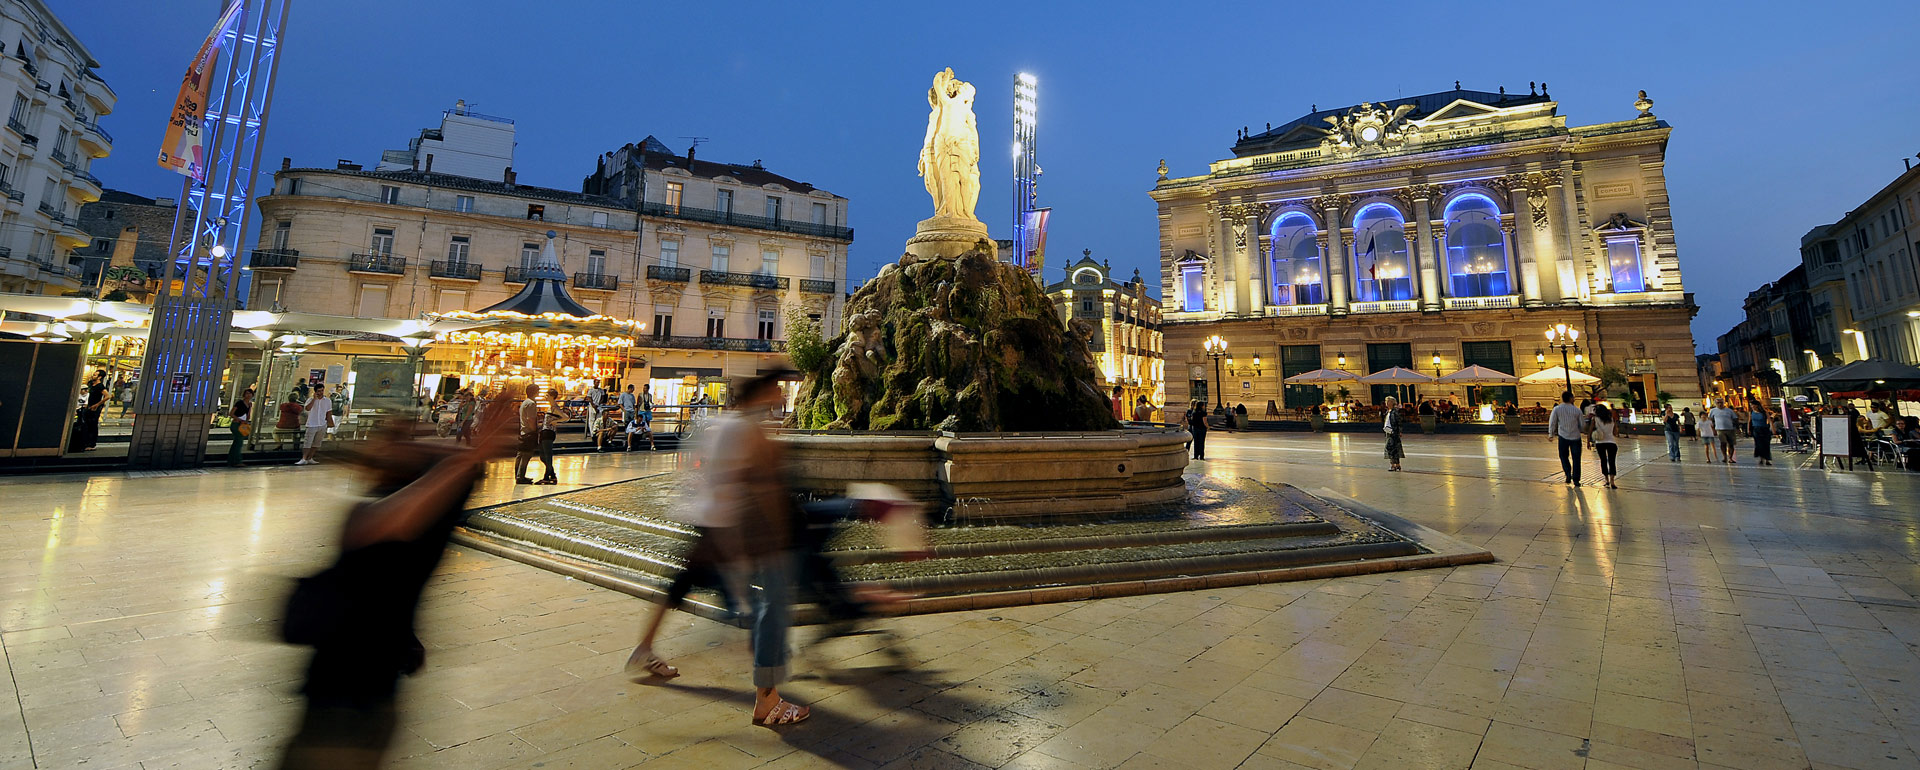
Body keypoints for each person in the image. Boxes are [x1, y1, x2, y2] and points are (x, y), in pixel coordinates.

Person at [275, 404, 515, 768]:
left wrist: (469, 454)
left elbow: (393, 520)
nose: (385, 441)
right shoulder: (400, 508)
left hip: (351, 695)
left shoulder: (409, 514)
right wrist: (468, 453)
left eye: (402, 435)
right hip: (351, 684)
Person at [629, 372, 811, 726]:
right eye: (773, 390)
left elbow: (700, 471)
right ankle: (767, 695)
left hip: (704, 519)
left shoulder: (718, 424)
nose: (777, 396)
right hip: (724, 527)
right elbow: (741, 486)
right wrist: (745, 545)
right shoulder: (746, 431)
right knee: (760, 603)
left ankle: (644, 649)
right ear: (760, 394)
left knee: (681, 587)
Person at [1548, 391, 1586, 487]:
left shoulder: (1557, 409)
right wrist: (1583, 430)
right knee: (1576, 458)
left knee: (1563, 456)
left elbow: (1552, 422)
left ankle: (1568, 473)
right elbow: (1582, 424)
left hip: (1563, 436)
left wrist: (1551, 433)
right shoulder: (1577, 410)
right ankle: (1576, 479)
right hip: (1576, 437)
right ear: (1570, 398)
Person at [296, 384, 334, 466]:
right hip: (312, 424)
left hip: (322, 423)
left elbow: (329, 412)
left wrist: (330, 422)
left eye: (322, 391)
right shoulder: (310, 400)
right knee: (308, 442)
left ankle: (310, 457)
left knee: (317, 442)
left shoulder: (327, 401)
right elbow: (307, 408)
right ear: (315, 391)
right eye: (319, 391)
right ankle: (304, 458)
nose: (320, 393)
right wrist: (314, 399)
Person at [70, 369, 107, 452]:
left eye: (95, 375)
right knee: (87, 424)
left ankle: (92, 444)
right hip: (89, 406)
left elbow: (107, 396)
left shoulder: (100, 386)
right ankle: (85, 442)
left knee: (93, 425)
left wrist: (98, 404)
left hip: (95, 408)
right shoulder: (91, 384)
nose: (93, 376)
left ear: (99, 377)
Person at [1591, 402, 1619, 488]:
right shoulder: (1611, 419)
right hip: (1611, 442)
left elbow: (1590, 430)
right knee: (1612, 461)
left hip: (1600, 443)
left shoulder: (1595, 419)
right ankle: (1612, 481)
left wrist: (1589, 441)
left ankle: (1606, 480)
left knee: (1603, 461)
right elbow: (1615, 432)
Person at [228, 387, 254, 467]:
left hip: (242, 424)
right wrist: (239, 419)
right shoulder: (239, 403)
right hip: (236, 424)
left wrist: (247, 418)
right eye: (247, 393)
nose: (248, 395)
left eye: (250, 393)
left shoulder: (249, 404)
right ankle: (237, 460)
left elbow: (248, 415)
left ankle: (232, 460)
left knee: (236, 443)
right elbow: (231, 413)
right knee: (239, 442)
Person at [1709, 399, 1739, 464]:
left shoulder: (1729, 410)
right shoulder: (1713, 411)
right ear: (1715, 404)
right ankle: (1724, 457)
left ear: (1723, 403)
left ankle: (1730, 457)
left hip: (1730, 429)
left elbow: (1735, 419)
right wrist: (1712, 429)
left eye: (1721, 403)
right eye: (1718, 403)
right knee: (1723, 443)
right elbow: (1710, 420)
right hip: (1720, 429)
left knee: (1731, 444)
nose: (1720, 404)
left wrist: (1736, 428)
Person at [1382, 396, 1405, 471]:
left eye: (1388, 402)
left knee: (1392, 448)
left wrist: (1400, 431)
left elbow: (1399, 422)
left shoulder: (1395, 412)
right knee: (1392, 448)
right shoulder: (1387, 412)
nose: (1387, 403)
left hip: (1394, 432)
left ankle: (1394, 465)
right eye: (1386, 402)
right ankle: (1395, 465)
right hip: (1388, 432)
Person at [587, 379, 610, 451]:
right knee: (591, 420)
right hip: (592, 406)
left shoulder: (601, 390)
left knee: (598, 419)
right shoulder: (590, 390)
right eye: (596, 382)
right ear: (594, 383)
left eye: (598, 382)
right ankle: (592, 433)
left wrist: (599, 403)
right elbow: (589, 398)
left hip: (599, 406)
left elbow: (603, 397)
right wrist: (593, 405)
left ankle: (598, 431)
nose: (597, 384)